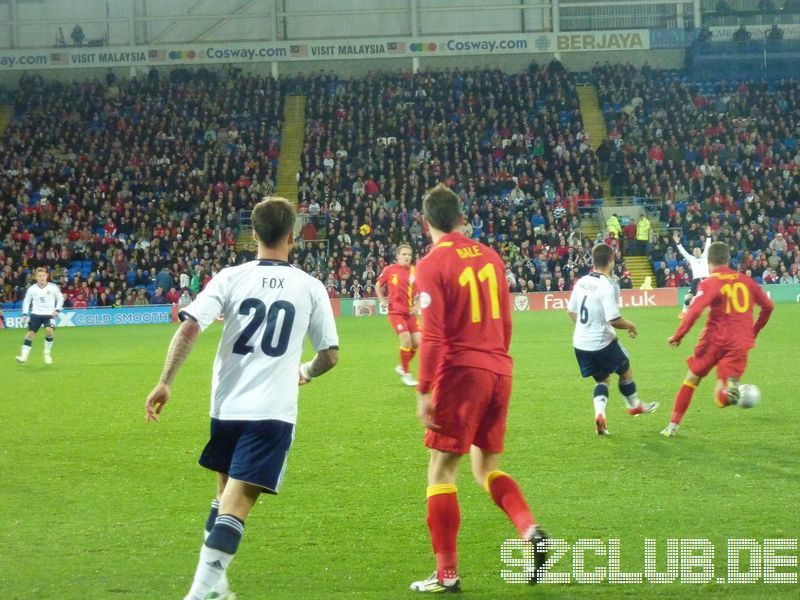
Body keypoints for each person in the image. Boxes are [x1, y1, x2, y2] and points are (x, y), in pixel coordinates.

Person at [144, 198, 339, 600]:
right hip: (272, 414)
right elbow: (330, 355)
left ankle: (217, 590)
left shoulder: (230, 277)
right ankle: (198, 595)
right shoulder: (310, 286)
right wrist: (303, 371)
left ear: (252, 234)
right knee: (236, 507)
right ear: (292, 237)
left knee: (223, 498)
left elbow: (189, 328)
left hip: (226, 408)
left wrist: (166, 381)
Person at [410, 183, 548, 593]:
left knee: (441, 468)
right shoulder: (490, 255)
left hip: (462, 372)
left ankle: (446, 575)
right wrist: (494, 360)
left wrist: (423, 389)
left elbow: (432, 336)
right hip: (499, 368)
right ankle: (529, 530)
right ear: (460, 218)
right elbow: (506, 321)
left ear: (426, 222)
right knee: (484, 467)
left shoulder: (432, 264)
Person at [661, 242, 773, 437]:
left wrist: (679, 335)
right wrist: (752, 332)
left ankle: (672, 427)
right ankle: (732, 395)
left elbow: (695, 310)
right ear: (728, 259)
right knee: (719, 396)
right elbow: (768, 307)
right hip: (739, 344)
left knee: (691, 380)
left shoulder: (711, 282)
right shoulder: (746, 281)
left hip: (713, 341)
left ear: (708, 261)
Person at [567, 244, 658, 435]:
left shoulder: (581, 281)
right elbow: (614, 320)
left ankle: (600, 414)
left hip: (581, 344)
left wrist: (586, 327)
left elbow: (571, 312)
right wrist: (631, 325)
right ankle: (634, 404)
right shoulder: (607, 285)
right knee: (624, 366)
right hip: (601, 342)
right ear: (611, 260)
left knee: (602, 380)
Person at [376, 244, 420, 386]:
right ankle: (406, 373)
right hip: (395, 312)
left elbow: (422, 291)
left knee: (418, 342)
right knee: (406, 339)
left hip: (410, 313)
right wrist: (382, 300)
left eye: (409, 254)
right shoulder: (389, 270)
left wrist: (418, 305)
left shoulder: (415, 271)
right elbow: (378, 285)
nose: (407, 257)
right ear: (398, 256)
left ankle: (402, 366)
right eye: (404, 254)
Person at [16, 267, 64, 365]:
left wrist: (57, 309)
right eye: (39, 276)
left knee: (49, 331)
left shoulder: (53, 287)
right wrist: (25, 313)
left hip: (49, 314)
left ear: (47, 276)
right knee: (30, 334)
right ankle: (23, 357)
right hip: (36, 314)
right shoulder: (32, 289)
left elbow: (60, 299)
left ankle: (47, 353)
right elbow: (26, 301)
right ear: (36, 277)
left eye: (43, 275)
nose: (42, 278)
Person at [674, 226, 712, 315]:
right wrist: (677, 243)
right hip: (696, 280)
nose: (696, 252)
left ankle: (713, 311)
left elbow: (708, 245)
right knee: (689, 297)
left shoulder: (705, 256)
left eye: (698, 251)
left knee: (712, 295)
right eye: (695, 251)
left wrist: (709, 235)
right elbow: (683, 252)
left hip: (706, 279)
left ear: (700, 251)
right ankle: (684, 311)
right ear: (693, 253)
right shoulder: (691, 258)